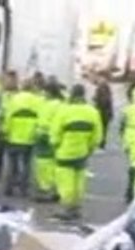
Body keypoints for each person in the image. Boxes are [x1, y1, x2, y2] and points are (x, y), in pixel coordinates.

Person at [51, 84, 102, 220]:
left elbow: (55, 133)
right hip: (82, 152)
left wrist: (56, 145)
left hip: (65, 152)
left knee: (65, 181)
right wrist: (90, 148)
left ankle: (67, 208)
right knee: (79, 180)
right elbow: (97, 135)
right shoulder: (92, 112)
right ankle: (76, 207)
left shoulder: (64, 111)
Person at [1, 73, 40, 197]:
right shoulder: (37, 100)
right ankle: (24, 188)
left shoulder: (15, 99)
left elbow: (8, 117)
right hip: (29, 138)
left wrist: (5, 131)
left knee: (12, 163)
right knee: (27, 164)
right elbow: (40, 119)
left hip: (14, 136)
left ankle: (9, 188)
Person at [33, 78, 65, 202]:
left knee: (43, 164)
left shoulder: (46, 104)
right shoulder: (62, 104)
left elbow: (41, 119)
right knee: (55, 164)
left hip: (44, 136)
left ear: (49, 92)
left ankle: (45, 189)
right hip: (56, 136)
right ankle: (56, 189)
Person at [119, 87, 135, 203]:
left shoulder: (128, 109)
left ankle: (130, 192)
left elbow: (122, 124)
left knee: (132, 164)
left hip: (129, 137)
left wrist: (122, 137)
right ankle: (134, 192)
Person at [93, 74, 113, 149]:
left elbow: (100, 100)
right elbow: (110, 101)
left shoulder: (100, 88)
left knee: (100, 127)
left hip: (101, 111)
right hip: (106, 111)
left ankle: (100, 142)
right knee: (104, 128)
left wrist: (95, 100)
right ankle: (102, 141)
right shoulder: (108, 89)